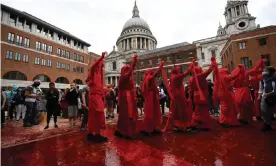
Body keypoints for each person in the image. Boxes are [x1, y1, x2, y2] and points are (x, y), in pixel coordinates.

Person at [231, 59, 265, 124]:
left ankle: (242, 117)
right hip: (245, 91)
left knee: (240, 105)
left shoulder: (235, 75)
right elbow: (255, 69)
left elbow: (232, 82)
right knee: (246, 105)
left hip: (238, 91)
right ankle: (246, 117)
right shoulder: (246, 73)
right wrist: (260, 62)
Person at [114, 55, 138, 139]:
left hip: (128, 97)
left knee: (125, 115)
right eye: (126, 69)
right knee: (127, 115)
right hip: (126, 98)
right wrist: (134, 62)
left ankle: (121, 130)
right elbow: (130, 73)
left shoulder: (125, 78)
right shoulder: (124, 77)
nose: (128, 71)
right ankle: (127, 132)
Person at [190, 57, 217, 131]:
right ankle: (203, 125)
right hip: (202, 95)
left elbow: (191, 90)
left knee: (197, 110)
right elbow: (210, 69)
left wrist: (192, 63)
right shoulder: (200, 76)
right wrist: (213, 61)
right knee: (204, 110)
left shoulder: (192, 79)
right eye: (200, 69)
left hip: (195, 95)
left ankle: (196, 123)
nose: (201, 69)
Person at [167, 61, 194, 132]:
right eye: (178, 70)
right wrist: (191, 65)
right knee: (183, 110)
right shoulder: (176, 77)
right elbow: (187, 73)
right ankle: (185, 125)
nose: (179, 70)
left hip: (176, 95)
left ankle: (176, 125)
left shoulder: (172, 76)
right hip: (179, 95)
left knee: (176, 110)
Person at [86, 52, 107, 142]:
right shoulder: (93, 71)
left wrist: (105, 90)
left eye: (101, 66)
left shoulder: (99, 74)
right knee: (98, 114)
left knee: (94, 115)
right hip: (94, 96)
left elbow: (100, 86)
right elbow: (93, 65)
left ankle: (91, 133)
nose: (100, 67)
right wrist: (101, 57)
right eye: (100, 65)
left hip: (96, 96)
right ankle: (96, 134)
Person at [140, 61, 165, 136]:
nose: (152, 71)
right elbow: (154, 75)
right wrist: (160, 67)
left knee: (154, 111)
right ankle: (148, 128)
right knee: (150, 112)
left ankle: (154, 127)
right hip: (150, 96)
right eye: (150, 71)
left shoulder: (148, 78)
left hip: (153, 96)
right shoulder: (148, 78)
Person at [259, 66, 276, 131]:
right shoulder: (263, 80)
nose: (263, 72)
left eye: (265, 70)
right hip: (265, 97)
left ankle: (267, 124)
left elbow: (275, 90)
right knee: (264, 111)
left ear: (269, 72)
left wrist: (268, 94)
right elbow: (261, 88)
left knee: (268, 110)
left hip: (271, 97)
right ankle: (267, 123)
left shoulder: (274, 79)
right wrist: (260, 96)